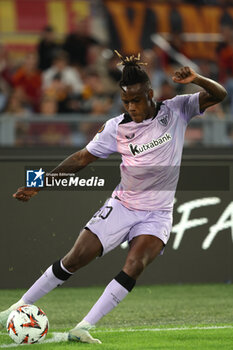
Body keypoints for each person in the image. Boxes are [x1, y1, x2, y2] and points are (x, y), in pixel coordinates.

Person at [0, 52, 227, 344]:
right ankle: (17, 308)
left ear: (150, 94)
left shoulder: (177, 109)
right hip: (123, 206)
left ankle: (83, 327)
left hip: (158, 213)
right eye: (126, 102)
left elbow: (218, 94)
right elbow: (82, 158)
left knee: (135, 265)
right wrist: (39, 183)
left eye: (136, 100)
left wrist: (195, 79)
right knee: (75, 259)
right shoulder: (116, 128)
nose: (131, 107)